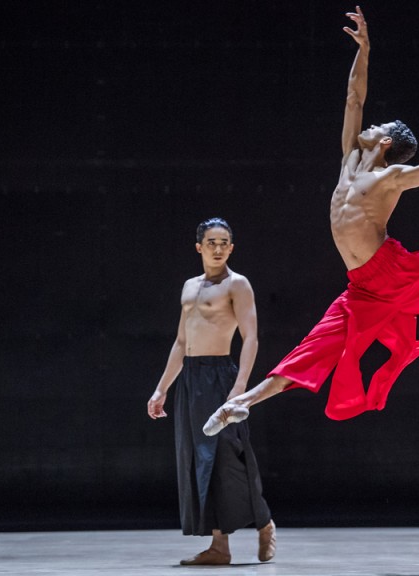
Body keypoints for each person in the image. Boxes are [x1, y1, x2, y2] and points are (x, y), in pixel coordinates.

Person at [203, 6, 419, 435]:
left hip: (394, 269)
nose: (368, 123)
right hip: (362, 285)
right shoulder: (349, 158)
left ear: (385, 141)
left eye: (377, 125)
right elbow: (355, 96)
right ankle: (243, 403)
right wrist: (364, 49)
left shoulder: (389, 177)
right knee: (318, 344)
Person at [147, 217, 276, 566]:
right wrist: (161, 390)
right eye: (211, 242)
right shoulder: (190, 287)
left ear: (231, 248)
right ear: (199, 247)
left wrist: (240, 391)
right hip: (191, 378)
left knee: (227, 459)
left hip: (221, 377)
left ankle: (263, 523)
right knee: (199, 460)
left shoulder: (238, 284)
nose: (218, 248)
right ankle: (220, 546)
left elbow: (251, 338)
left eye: (224, 243)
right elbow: (181, 342)